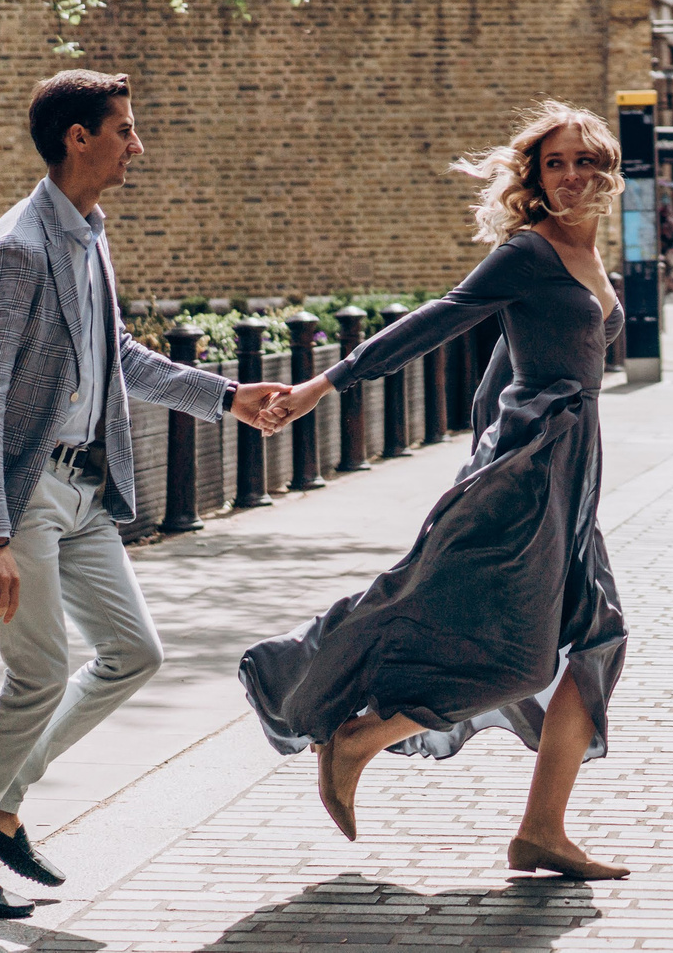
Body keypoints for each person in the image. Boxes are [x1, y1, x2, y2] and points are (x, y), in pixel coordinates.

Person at [0, 71, 295, 921]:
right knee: (37, 677)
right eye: (123, 130)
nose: (137, 145)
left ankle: (4, 806)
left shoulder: (87, 232)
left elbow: (115, 352)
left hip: (84, 491)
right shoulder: (19, 249)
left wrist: (227, 396)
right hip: (27, 495)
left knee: (134, 652)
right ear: (76, 138)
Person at [242, 100, 631, 881]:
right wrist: (326, 382)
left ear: (609, 172)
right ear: (535, 175)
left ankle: (542, 831)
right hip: (532, 479)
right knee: (522, 658)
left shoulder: (594, 265)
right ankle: (359, 736)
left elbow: (503, 370)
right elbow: (441, 319)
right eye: (555, 163)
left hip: (567, 479)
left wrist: (492, 440)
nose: (570, 176)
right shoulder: (529, 253)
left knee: (595, 644)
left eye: (586, 161)